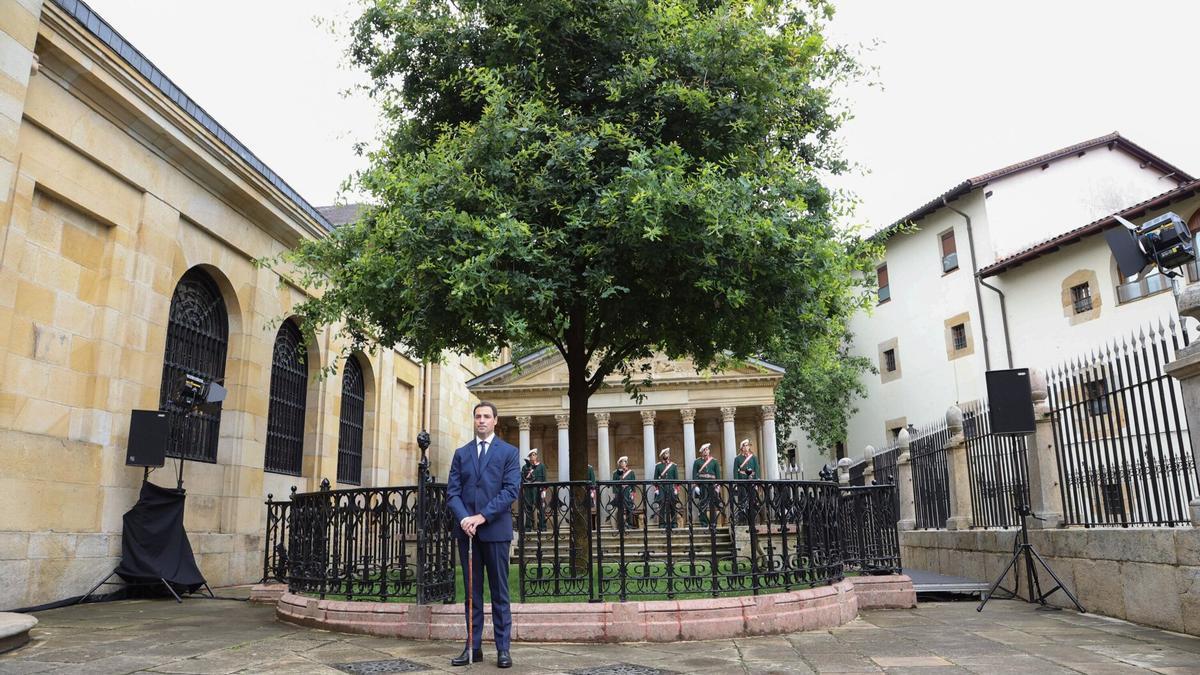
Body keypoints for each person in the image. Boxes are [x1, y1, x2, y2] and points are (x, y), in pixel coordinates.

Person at [447, 401, 520, 669]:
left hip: (495, 531)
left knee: (500, 593)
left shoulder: (509, 453)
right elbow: (452, 492)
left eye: (486, 416)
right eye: (478, 416)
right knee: (471, 594)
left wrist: (482, 516)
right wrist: (465, 518)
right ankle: (472, 647)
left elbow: (510, 491)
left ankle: (503, 649)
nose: (481, 420)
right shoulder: (461, 453)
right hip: (467, 534)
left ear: (495, 421)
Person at [691, 443, 721, 527]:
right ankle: (703, 522)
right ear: (701, 452)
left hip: (712, 485)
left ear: (709, 450)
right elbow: (694, 475)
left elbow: (718, 475)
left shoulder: (714, 461)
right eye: (704, 450)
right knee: (702, 504)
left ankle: (713, 522)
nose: (706, 451)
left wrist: (718, 485)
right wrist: (696, 486)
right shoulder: (697, 462)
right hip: (702, 485)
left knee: (713, 504)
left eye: (707, 449)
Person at [733, 439, 760, 525]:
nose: (746, 447)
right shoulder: (737, 458)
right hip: (742, 482)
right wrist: (737, 483)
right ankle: (742, 520)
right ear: (741, 447)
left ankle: (752, 519)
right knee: (742, 501)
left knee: (753, 500)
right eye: (744, 445)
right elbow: (735, 471)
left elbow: (757, 469)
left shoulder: (753, 458)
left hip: (752, 481)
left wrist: (756, 481)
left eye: (747, 445)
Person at [652, 448, 679, 529]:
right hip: (661, 487)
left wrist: (676, 489)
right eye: (665, 453)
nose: (666, 455)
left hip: (671, 487)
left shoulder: (673, 466)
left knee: (673, 505)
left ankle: (674, 522)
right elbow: (655, 479)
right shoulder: (658, 466)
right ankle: (662, 523)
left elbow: (676, 478)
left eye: (667, 453)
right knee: (661, 505)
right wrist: (656, 489)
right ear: (662, 455)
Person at [520, 449, 547, 531]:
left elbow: (544, 478)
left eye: (534, 455)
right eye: (531, 455)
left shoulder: (542, 466)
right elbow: (523, 479)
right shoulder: (525, 467)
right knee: (528, 507)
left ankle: (542, 526)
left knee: (541, 507)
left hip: (539, 488)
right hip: (529, 488)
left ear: (536, 456)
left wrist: (544, 490)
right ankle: (528, 527)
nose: (533, 456)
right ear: (529, 457)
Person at [610, 456, 637, 530]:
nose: (623, 463)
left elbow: (633, 484)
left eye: (625, 461)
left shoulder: (631, 473)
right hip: (620, 493)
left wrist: (633, 493)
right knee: (620, 509)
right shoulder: (616, 473)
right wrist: (615, 494)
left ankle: (630, 524)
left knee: (629, 508)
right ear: (619, 463)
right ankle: (620, 525)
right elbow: (614, 485)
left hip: (628, 492)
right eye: (621, 462)